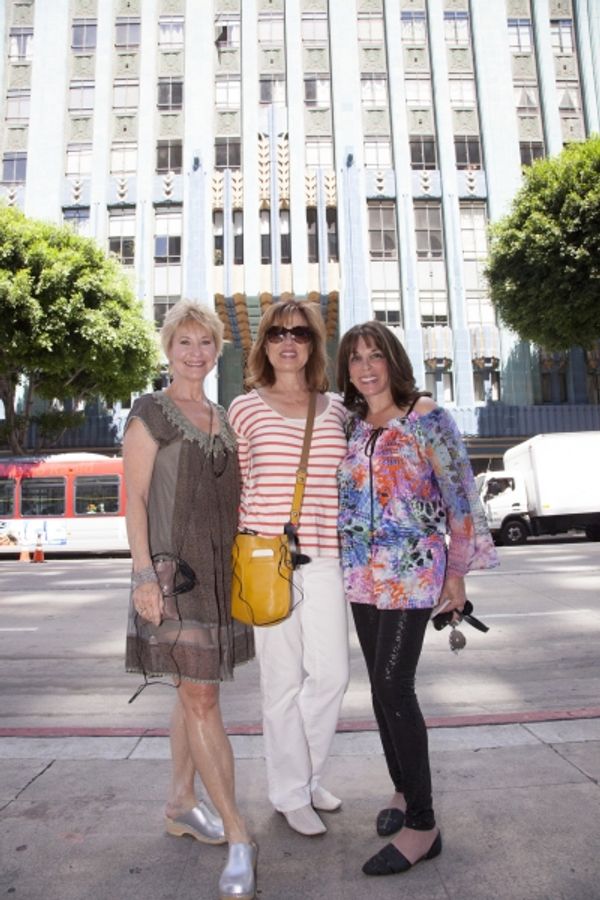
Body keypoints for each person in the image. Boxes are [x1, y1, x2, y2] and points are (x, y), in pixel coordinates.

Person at [335, 320, 498, 877]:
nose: (365, 366)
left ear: (393, 360)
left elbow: (461, 499)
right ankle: (403, 791)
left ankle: (423, 825)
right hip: (361, 576)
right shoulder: (355, 427)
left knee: (393, 686)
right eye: (355, 358)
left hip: (412, 572)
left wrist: (457, 577)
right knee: (379, 691)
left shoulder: (426, 417)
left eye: (375, 355)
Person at [123, 300, 257, 900]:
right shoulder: (150, 411)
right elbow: (134, 499)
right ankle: (238, 835)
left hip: (221, 575)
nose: (195, 353)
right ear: (168, 348)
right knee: (202, 698)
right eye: (184, 343)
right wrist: (142, 578)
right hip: (173, 578)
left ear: (216, 350)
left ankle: (180, 802)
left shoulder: (222, 416)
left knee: (191, 689)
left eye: (205, 343)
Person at [228, 299, 349, 837]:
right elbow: (238, 488)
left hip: (325, 557)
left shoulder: (339, 409)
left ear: (313, 344)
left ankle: (309, 774)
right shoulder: (245, 408)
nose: (288, 341)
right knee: (281, 683)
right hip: (265, 560)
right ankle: (288, 791)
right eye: (277, 332)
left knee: (332, 676)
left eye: (300, 332)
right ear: (264, 344)